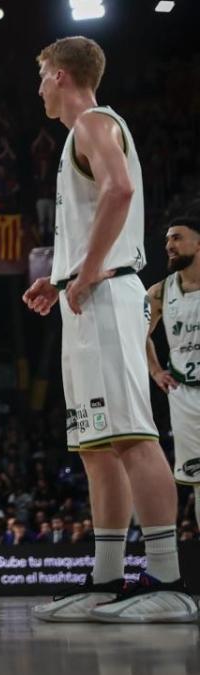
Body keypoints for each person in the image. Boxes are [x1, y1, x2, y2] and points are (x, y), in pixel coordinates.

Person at [22, 37, 194, 623]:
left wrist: (88, 271)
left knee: (132, 436)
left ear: (64, 75)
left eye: (43, 73)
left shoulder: (95, 120)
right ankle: (106, 582)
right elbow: (102, 208)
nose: (39, 84)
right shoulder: (78, 135)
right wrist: (60, 276)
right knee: (97, 445)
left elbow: (120, 190)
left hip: (109, 293)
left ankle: (170, 581)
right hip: (87, 293)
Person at [146, 218, 200, 528]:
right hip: (186, 395)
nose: (169, 245)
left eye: (177, 238)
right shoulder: (160, 292)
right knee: (197, 481)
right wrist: (154, 370)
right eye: (168, 239)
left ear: (198, 244)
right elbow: (136, 333)